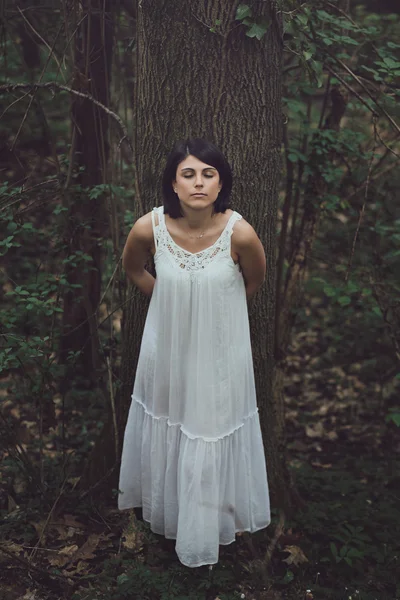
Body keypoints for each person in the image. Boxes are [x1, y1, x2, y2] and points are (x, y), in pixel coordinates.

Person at [118, 138, 270, 568]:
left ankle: (211, 531)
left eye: (208, 173)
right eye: (189, 174)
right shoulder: (149, 228)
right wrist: (168, 300)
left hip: (221, 355)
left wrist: (214, 314)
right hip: (166, 350)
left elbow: (252, 283)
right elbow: (133, 268)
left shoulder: (240, 232)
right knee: (174, 423)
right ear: (173, 182)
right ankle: (171, 521)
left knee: (210, 428)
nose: (199, 182)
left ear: (221, 183)